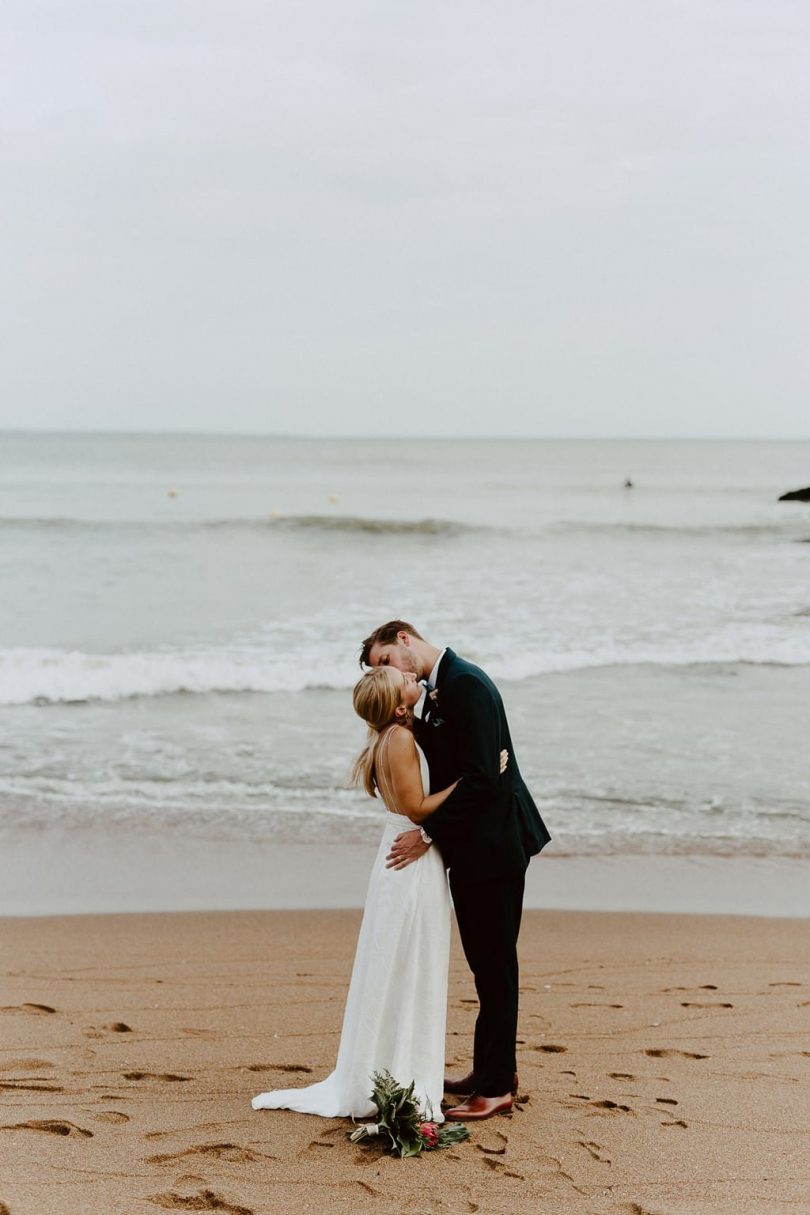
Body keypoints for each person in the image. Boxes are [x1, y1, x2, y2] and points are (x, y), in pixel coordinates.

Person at [252, 665, 488, 1121]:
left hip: (399, 856)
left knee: (397, 963)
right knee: (409, 963)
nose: (410, 676)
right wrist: (466, 782)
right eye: (403, 682)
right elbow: (418, 808)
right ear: (399, 706)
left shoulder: (387, 737)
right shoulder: (398, 740)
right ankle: (397, 1073)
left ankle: (390, 1067)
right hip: (411, 859)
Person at [361, 620, 550, 1121]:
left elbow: (484, 778)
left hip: (495, 847)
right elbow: (456, 759)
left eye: (384, 661)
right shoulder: (439, 690)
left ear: (403, 639)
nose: (386, 672)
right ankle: (491, 1069)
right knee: (485, 964)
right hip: (474, 846)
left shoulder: (467, 684)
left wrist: (426, 833)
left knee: (495, 967)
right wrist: (403, 723)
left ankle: (496, 1088)